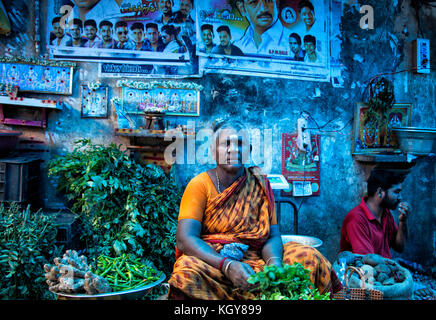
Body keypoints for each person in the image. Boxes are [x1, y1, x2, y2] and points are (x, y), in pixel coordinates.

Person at [167, 120, 343, 300]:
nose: (233, 149)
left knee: (309, 257)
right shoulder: (199, 185)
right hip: (214, 261)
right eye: (226, 144)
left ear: (249, 151)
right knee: (186, 272)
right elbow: (185, 239)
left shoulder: (259, 183)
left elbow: (272, 235)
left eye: (240, 144)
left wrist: (274, 266)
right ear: (213, 151)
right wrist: (227, 266)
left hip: (256, 259)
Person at [340, 169, 411, 259]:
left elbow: (400, 247)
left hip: (380, 269)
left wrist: (403, 221)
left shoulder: (386, 214)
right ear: (380, 192)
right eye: (396, 192)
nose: (400, 197)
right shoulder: (356, 219)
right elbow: (368, 263)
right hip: (362, 271)